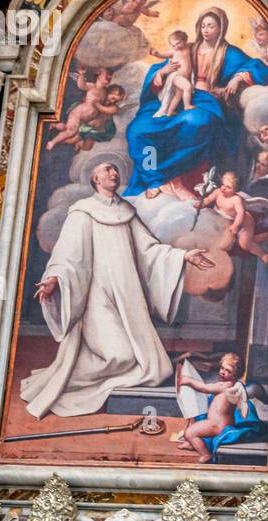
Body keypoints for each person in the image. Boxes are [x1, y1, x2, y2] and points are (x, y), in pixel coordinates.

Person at [20, 162, 214, 418]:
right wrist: (55, 278)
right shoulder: (82, 212)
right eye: (107, 169)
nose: (114, 173)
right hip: (96, 298)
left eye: (115, 170)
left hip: (127, 296)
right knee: (119, 356)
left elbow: (149, 250)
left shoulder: (126, 211)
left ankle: (73, 374)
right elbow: (68, 253)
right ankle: (66, 377)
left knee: (152, 367)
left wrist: (185, 256)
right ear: (95, 177)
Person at [124, 6, 268, 200]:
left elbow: (261, 69)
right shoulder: (188, 48)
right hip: (174, 100)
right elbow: (162, 67)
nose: (205, 30)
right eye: (203, 25)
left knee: (196, 122)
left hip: (206, 101)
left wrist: (238, 78)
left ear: (221, 28)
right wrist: (160, 74)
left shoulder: (228, 53)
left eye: (211, 26)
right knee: (138, 129)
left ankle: (173, 178)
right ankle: (153, 177)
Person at [148, 30, 197, 117]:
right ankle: (187, 106)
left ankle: (169, 112)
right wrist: (156, 54)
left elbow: (196, 43)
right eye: (173, 45)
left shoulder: (188, 47)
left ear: (184, 40)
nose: (176, 47)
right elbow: (162, 55)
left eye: (178, 43)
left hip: (184, 77)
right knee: (187, 87)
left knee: (178, 96)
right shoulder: (174, 52)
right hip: (177, 77)